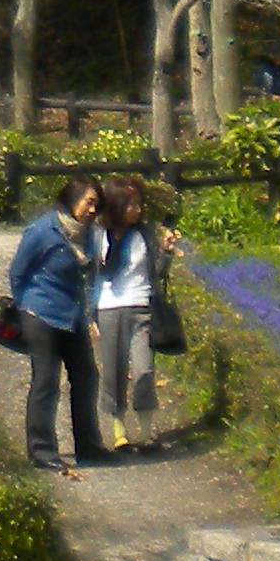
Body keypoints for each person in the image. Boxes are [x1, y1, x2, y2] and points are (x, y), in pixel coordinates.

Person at [8, 174, 109, 473]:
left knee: (86, 377)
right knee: (46, 381)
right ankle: (41, 451)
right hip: (41, 314)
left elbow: (92, 276)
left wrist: (90, 314)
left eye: (97, 204)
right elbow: (18, 272)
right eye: (89, 202)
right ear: (72, 198)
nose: (93, 210)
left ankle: (89, 448)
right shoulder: (42, 231)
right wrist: (26, 308)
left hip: (73, 316)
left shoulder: (89, 234)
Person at [93, 173, 176, 452]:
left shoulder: (145, 234)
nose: (137, 210)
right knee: (113, 373)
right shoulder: (98, 236)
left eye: (139, 204)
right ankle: (119, 432)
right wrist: (89, 315)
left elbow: (159, 272)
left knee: (144, 370)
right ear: (116, 206)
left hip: (142, 307)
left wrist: (165, 253)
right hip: (108, 309)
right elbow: (89, 278)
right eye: (131, 205)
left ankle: (146, 431)